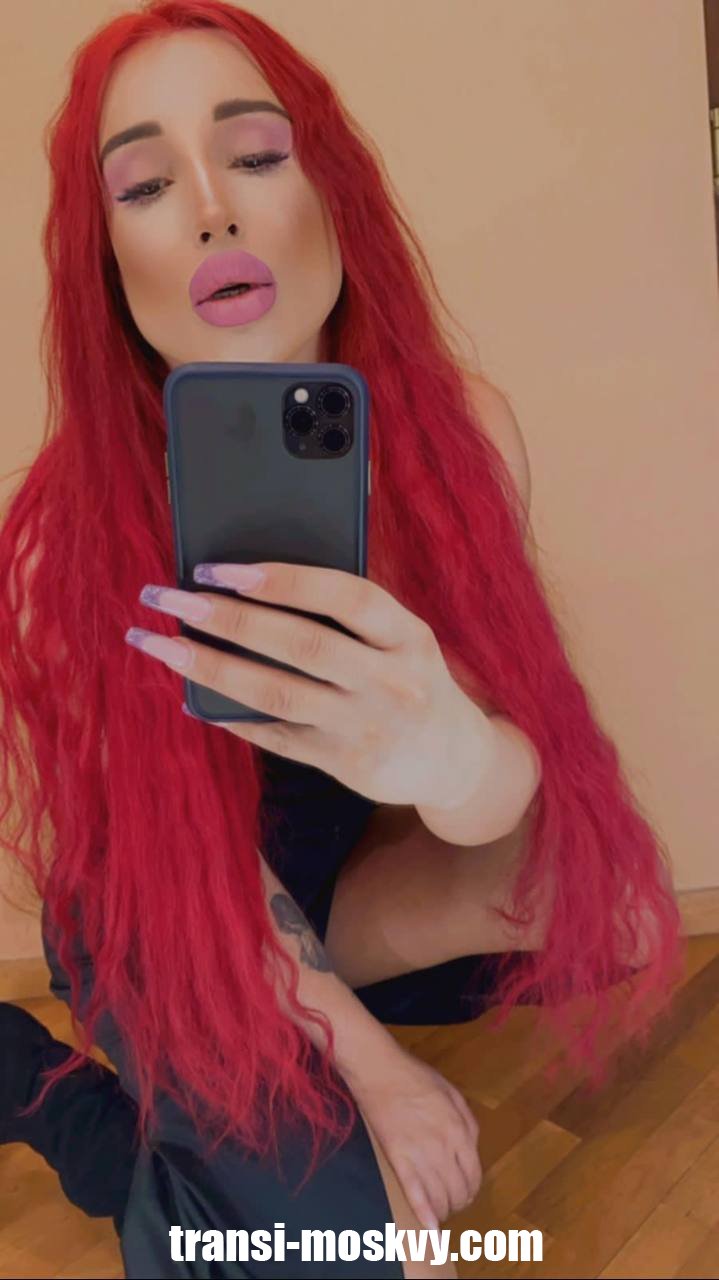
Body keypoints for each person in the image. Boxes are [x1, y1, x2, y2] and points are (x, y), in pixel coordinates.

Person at [0, 2, 684, 1277]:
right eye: (145, 185)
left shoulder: (457, 432)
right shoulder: (66, 539)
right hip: (162, 904)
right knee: (370, 1248)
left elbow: (519, 792)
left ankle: (244, 1073)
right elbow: (196, 873)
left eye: (256, 155)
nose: (212, 210)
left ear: (332, 192)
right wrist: (375, 1072)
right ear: (109, 265)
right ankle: (49, 1092)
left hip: (335, 876)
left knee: (626, 913)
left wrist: (448, 755)